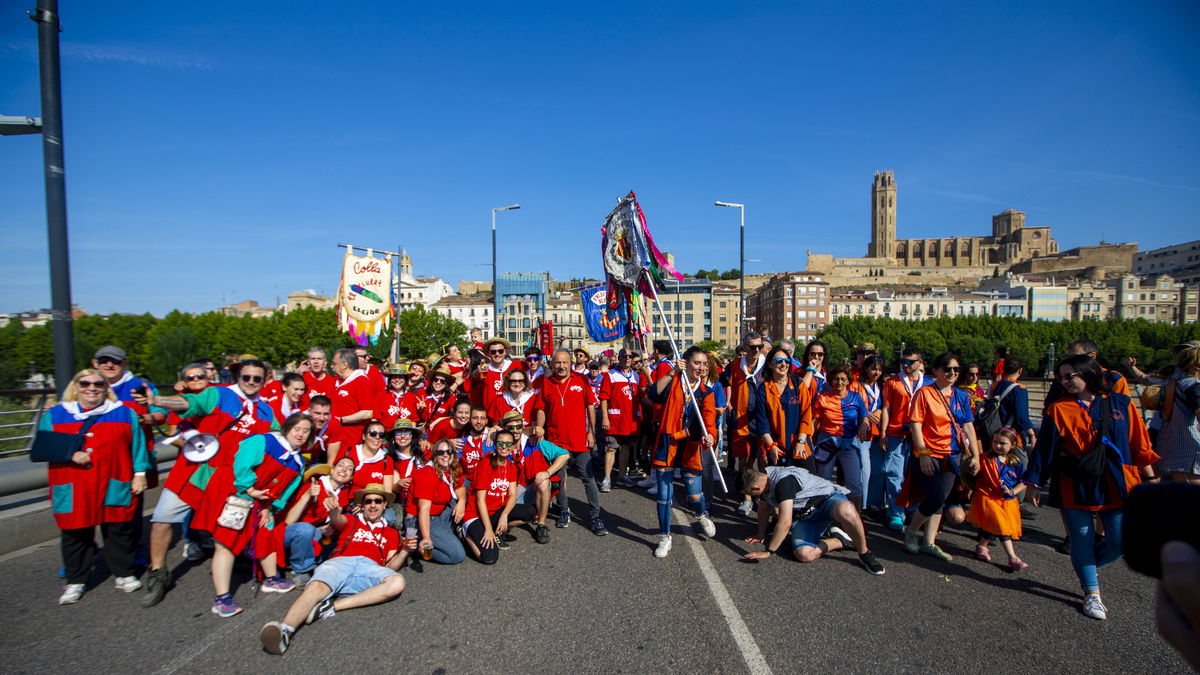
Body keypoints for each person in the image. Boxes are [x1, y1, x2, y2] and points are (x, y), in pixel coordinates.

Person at [1023, 354, 1158, 620]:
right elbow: (1045, 448)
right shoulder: (1059, 409)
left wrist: (1151, 478)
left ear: (1089, 373)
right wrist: (1034, 482)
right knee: (1081, 537)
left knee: (1121, 540)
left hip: (1117, 480)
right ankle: (1091, 593)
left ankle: (1087, 565)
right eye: (1061, 377)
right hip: (1075, 480)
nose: (1065, 381)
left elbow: (1138, 443)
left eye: (1069, 375)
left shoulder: (1121, 403)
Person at [135, 358, 278, 608]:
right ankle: (158, 572)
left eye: (257, 378)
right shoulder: (219, 394)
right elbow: (189, 403)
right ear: (238, 377)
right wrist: (156, 401)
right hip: (197, 474)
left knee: (228, 529)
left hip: (231, 483)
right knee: (162, 520)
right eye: (247, 377)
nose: (252, 382)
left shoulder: (266, 411)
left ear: (265, 380)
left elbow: (277, 441)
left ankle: (235, 565)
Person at [259, 483, 406, 655]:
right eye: (368, 501)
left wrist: (405, 552)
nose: (373, 505)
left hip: (370, 568)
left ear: (384, 505)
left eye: (378, 501)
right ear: (363, 505)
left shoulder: (391, 533)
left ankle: (332, 606)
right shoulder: (352, 520)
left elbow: (390, 567)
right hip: (341, 562)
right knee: (317, 586)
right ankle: (285, 630)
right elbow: (337, 519)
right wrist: (333, 508)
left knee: (397, 582)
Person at [42, 370, 150, 604]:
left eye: (98, 384)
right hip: (73, 482)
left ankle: (124, 573)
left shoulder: (123, 413)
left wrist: (140, 474)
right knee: (75, 532)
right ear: (75, 386)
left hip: (114, 478)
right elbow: (42, 447)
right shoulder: (55, 414)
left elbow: (137, 446)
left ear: (106, 388)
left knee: (118, 529)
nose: (92, 388)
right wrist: (70, 454)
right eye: (85, 383)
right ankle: (76, 580)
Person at [195, 414, 312, 617]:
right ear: (287, 428)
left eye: (306, 431)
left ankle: (271, 578)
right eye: (297, 429)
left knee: (266, 531)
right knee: (226, 541)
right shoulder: (265, 441)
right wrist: (249, 489)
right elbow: (242, 463)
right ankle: (221, 598)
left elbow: (285, 491)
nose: (301, 434)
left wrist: (269, 507)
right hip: (236, 493)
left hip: (260, 500)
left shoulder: (298, 461)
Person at [899, 352, 980, 562]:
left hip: (951, 454)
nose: (952, 373)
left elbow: (968, 426)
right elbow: (916, 424)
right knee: (934, 497)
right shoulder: (925, 393)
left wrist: (975, 456)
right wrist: (923, 453)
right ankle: (912, 530)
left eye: (956, 369)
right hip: (928, 452)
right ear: (935, 370)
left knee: (940, 501)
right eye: (947, 369)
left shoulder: (961, 396)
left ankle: (929, 542)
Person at [740, 465, 885, 575]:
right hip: (806, 518)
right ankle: (840, 541)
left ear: (756, 487)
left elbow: (785, 521)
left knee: (846, 510)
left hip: (827, 502)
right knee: (804, 554)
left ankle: (864, 553)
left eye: (749, 494)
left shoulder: (783, 482)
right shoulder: (765, 484)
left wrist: (769, 551)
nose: (752, 497)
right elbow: (763, 510)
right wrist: (760, 534)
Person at [646, 346, 717, 558]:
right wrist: (671, 372)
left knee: (694, 495)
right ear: (685, 363)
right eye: (697, 363)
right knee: (664, 495)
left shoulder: (706, 392)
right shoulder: (674, 381)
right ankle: (664, 536)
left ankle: (700, 513)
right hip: (668, 442)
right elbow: (653, 394)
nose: (701, 367)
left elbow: (709, 421)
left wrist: (711, 435)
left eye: (704, 364)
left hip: (691, 444)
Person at [536, 348, 606, 535]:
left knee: (588, 479)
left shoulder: (581, 380)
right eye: (557, 363)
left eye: (565, 362)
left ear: (570, 363)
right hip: (556, 441)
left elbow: (590, 406)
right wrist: (540, 429)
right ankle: (564, 511)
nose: (561, 366)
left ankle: (595, 516)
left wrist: (591, 432)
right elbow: (541, 409)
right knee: (559, 480)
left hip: (579, 440)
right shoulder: (547, 383)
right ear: (552, 364)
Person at [874, 347, 931, 531]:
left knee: (917, 475)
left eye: (910, 362)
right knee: (894, 475)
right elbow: (887, 408)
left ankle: (914, 512)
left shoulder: (928, 384)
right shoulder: (893, 382)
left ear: (920, 363)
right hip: (896, 433)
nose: (905, 365)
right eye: (903, 362)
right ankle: (896, 514)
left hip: (921, 437)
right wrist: (883, 432)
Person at [463, 430, 539, 564]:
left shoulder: (511, 466)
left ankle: (497, 529)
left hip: (496, 511)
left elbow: (512, 496)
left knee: (530, 512)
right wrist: (487, 530)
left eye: (508, 444)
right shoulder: (485, 464)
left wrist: (504, 515)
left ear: (513, 445)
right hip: (476, 514)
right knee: (490, 558)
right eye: (500, 443)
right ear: (495, 444)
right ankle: (466, 536)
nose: (504, 447)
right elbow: (480, 500)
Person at [499, 411, 571, 544]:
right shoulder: (500, 445)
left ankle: (541, 525)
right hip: (512, 491)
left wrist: (548, 472)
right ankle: (504, 528)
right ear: (504, 428)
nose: (515, 430)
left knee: (544, 482)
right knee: (503, 520)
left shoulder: (535, 442)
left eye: (518, 427)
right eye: (510, 427)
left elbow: (565, 455)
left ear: (522, 426)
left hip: (532, 487)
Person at [282, 457, 354, 586]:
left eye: (349, 469)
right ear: (331, 471)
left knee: (339, 535)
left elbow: (335, 519)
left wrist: (329, 526)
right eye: (341, 465)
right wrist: (307, 495)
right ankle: (301, 570)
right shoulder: (314, 486)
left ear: (350, 478)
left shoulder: (342, 492)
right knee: (305, 529)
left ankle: (308, 559)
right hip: (289, 531)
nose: (344, 469)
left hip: (314, 531)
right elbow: (289, 520)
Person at [966, 428, 1028, 571]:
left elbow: (1023, 481)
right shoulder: (985, 458)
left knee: (994, 525)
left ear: (1012, 445)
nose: (997, 445)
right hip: (987, 497)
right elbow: (973, 476)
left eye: (1002, 443)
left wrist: (1012, 491)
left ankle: (981, 545)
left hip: (1006, 500)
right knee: (1001, 526)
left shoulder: (1015, 462)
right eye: (995, 442)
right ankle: (1013, 557)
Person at [810, 364, 872, 508]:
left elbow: (864, 417)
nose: (840, 382)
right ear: (831, 381)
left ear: (848, 381)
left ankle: (857, 519)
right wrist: (807, 440)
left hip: (849, 443)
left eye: (843, 379)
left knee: (854, 483)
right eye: (836, 379)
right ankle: (820, 517)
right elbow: (814, 422)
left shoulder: (855, 397)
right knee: (823, 481)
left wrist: (863, 427)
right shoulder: (823, 398)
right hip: (827, 442)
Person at [751, 345, 813, 470]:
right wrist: (771, 446)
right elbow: (762, 422)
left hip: (800, 446)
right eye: (779, 361)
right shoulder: (764, 389)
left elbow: (806, 416)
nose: (783, 364)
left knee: (808, 485)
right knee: (781, 487)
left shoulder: (798, 385)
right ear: (770, 364)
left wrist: (801, 442)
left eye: (787, 361)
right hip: (776, 448)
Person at [407, 439, 467, 564]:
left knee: (462, 496)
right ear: (435, 456)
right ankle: (416, 544)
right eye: (440, 452)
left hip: (440, 513)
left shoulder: (453, 469)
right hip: (421, 519)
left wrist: (461, 501)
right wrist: (426, 538)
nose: (445, 455)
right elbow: (424, 509)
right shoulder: (428, 473)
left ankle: (445, 535)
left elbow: (460, 486)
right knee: (457, 555)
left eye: (448, 451)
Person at [725, 331, 766, 515]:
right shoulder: (735, 365)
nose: (756, 350)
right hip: (741, 418)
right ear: (744, 347)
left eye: (760, 346)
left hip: (762, 419)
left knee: (764, 459)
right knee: (744, 460)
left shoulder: (767, 365)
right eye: (752, 346)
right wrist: (727, 401)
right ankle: (747, 497)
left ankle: (764, 495)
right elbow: (725, 382)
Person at [1153, 341, 1200, 483]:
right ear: (1196, 365)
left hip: (1173, 444)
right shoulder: (1194, 387)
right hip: (1191, 449)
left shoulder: (1175, 383)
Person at [599, 348, 644, 490]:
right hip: (614, 419)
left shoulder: (636, 376)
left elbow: (642, 397)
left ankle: (620, 475)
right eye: (624, 356)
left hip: (630, 420)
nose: (628, 358)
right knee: (611, 447)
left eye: (630, 356)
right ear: (619, 358)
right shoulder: (610, 375)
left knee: (626, 448)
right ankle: (607, 478)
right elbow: (604, 398)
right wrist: (605, 418)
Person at [851, 355, 885, 517]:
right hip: (861, 433)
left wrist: (878, 411)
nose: (876, 372)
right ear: (865, 369)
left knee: (876, 470)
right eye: (873, 369)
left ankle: (871, 502)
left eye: (879, 369)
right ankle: (861, 504)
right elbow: (850, 405)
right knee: (864, 469)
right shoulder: (856, 386)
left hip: (877, 433)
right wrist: (866, 414)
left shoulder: (881, 387)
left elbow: (885, 405)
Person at [330, 348, 376, 453]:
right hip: (335, 441)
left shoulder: (361, 381)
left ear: (344, 365)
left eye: (334, 363)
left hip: (351, 442)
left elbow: (368, 412)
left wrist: (340, 420)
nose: (332, 366)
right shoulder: (337, 382)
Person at [340, 421, 396, 499]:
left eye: (381, 435)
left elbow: (387, 492)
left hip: (373, 503)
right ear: (363, 436)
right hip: (347, 501)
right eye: (373, 433)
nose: (377, 437)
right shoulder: (348, 452)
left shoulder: (387, 460)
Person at [468, 337, 520, 411]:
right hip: (492, 415)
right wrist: (478, 371)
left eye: (500, 351)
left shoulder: (516, 365)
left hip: (512, 415)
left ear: (505, 352)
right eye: (493, 352)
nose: (497, 354)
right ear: (488, 353)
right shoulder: (485, 369)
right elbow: (475, 378)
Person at [373, 363, 424, 430]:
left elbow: (413, 420)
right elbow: (375, 419)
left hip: (405, 435)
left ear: (405, 379)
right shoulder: (382, 395)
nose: (397, 380)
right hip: (386, 434)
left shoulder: (411, 396)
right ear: (390, 380)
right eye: (393, 377)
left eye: (400, 377)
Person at [303, 395, 340, 465]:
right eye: (317, 413)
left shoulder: (334, 423)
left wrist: (326, 475)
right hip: (295, 455)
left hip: (313, 457)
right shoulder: (298, 421)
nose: (321, 418)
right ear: (309, 411)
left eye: (326, 414)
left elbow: (332, 459)